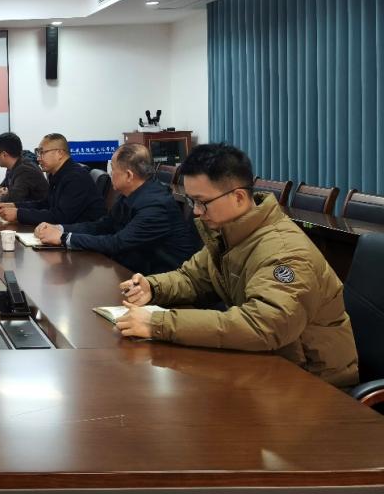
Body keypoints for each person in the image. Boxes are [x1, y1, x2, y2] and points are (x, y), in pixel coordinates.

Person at [117, 143, 358, 388]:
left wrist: (158, 324)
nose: (197, 212)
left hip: (314, 383)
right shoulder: (230, 234)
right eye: (192, 201)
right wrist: (153, 287)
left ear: (239, 197)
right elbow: (193, 278)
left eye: (202, 202)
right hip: (267, 362)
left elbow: (262, 326)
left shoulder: (285, 253)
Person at [34, 143, 199, 274]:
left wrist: (64, 238)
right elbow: (103, 225)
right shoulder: (130, 193)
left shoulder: (155, 205)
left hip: (160, 280)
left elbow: (118, 243)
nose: (110, 173)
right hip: (134, 269)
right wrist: (60, 228)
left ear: (129, 175)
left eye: (113, 169)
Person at [0, 133, 106, 226]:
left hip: (83, 236)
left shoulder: (75, 177)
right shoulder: (56, 174)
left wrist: (18, 214)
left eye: (42, 152)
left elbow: (61, 217)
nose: (38, 158)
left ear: (59, 153)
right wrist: (14, 206)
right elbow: (46, 204)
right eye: (38, 153)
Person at [0, 132, 48, 203]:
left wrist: (3, 196)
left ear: (4, 154)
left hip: (36, 209)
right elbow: (5, 188)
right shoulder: (12, 167)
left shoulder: (25, 170)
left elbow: (14, 199)